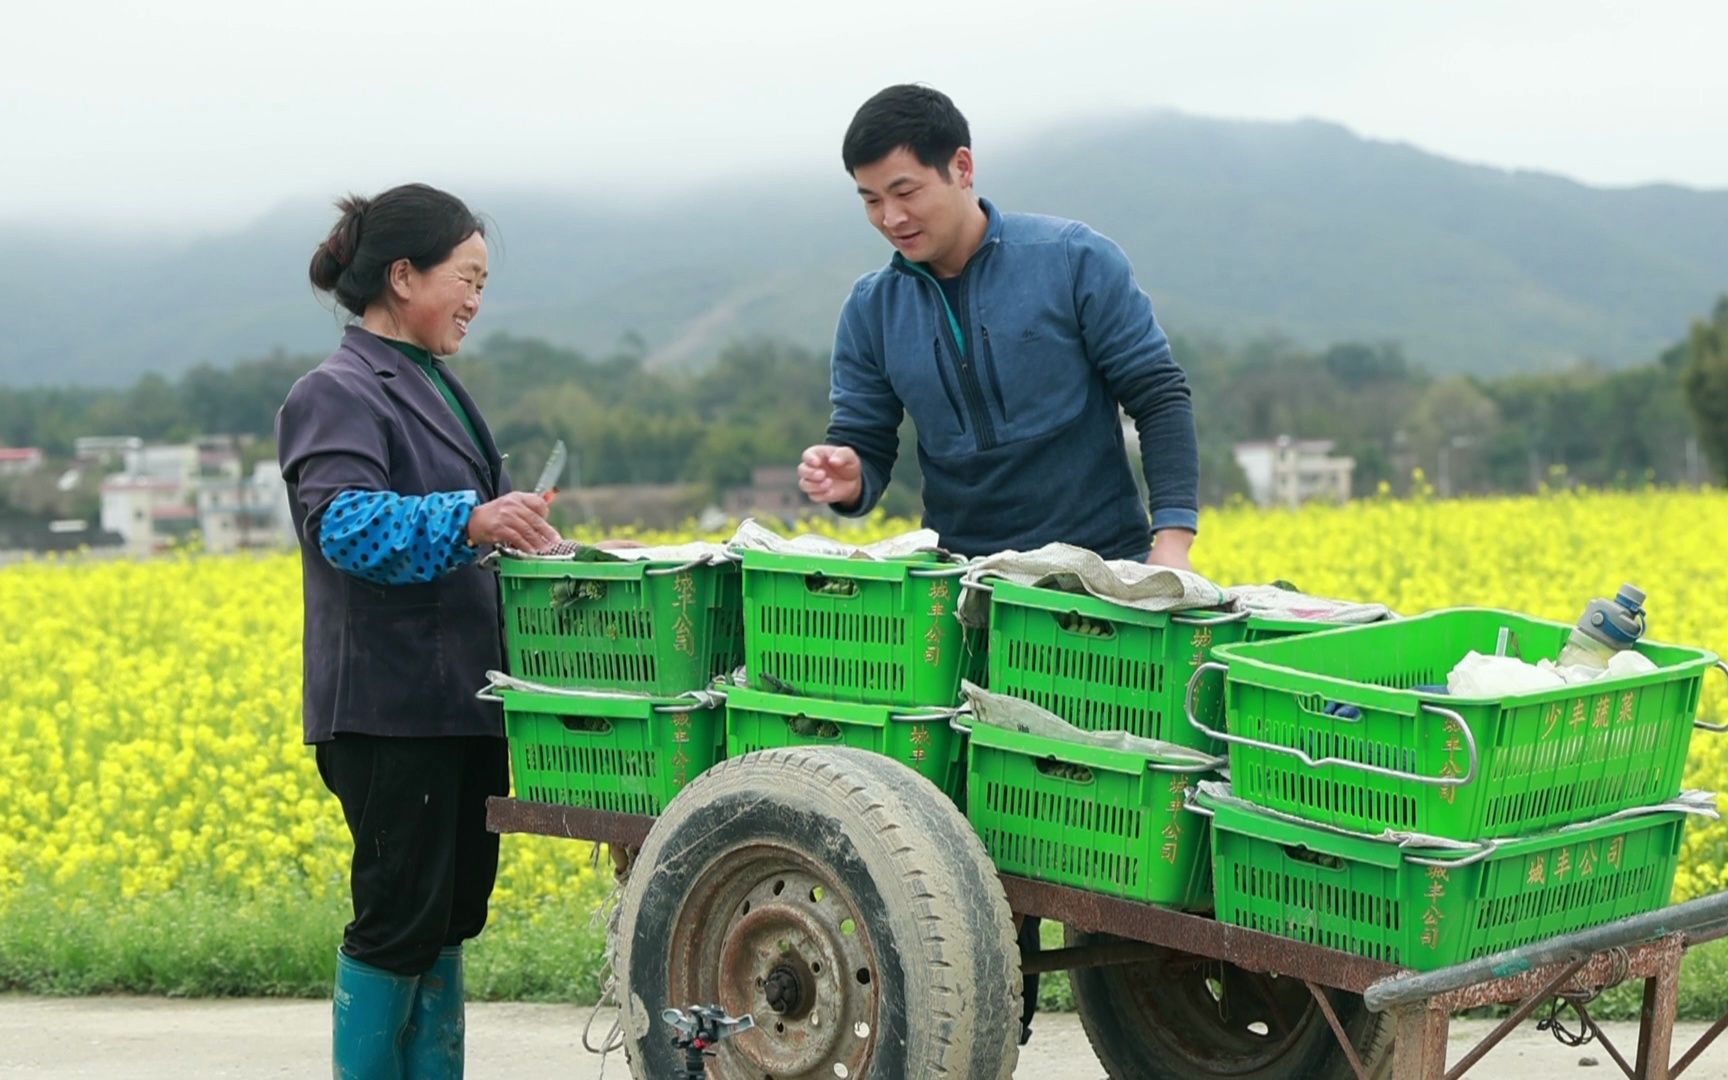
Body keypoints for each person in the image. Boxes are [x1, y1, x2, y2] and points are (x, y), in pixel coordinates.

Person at [277, 182, 561, 1078]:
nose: (477, 299)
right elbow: (347, 524)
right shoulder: (337, 391)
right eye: (466, 277)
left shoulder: (437, 387)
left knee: (448, 921)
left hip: (460, 704)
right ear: (403, 276)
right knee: (397, 920)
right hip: (392, 709)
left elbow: (471, 532)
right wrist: (471, 521)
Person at [798, 84, 1200, 572]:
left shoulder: (1074, 260)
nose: (891, 217)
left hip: (1104, 572)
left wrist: (1172, 544)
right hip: (964, 581)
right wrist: (851, 476)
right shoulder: (870, 309)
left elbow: (1158, 395)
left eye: (905, 192)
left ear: (962, 168)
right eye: (871, 200)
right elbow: (864, 442)